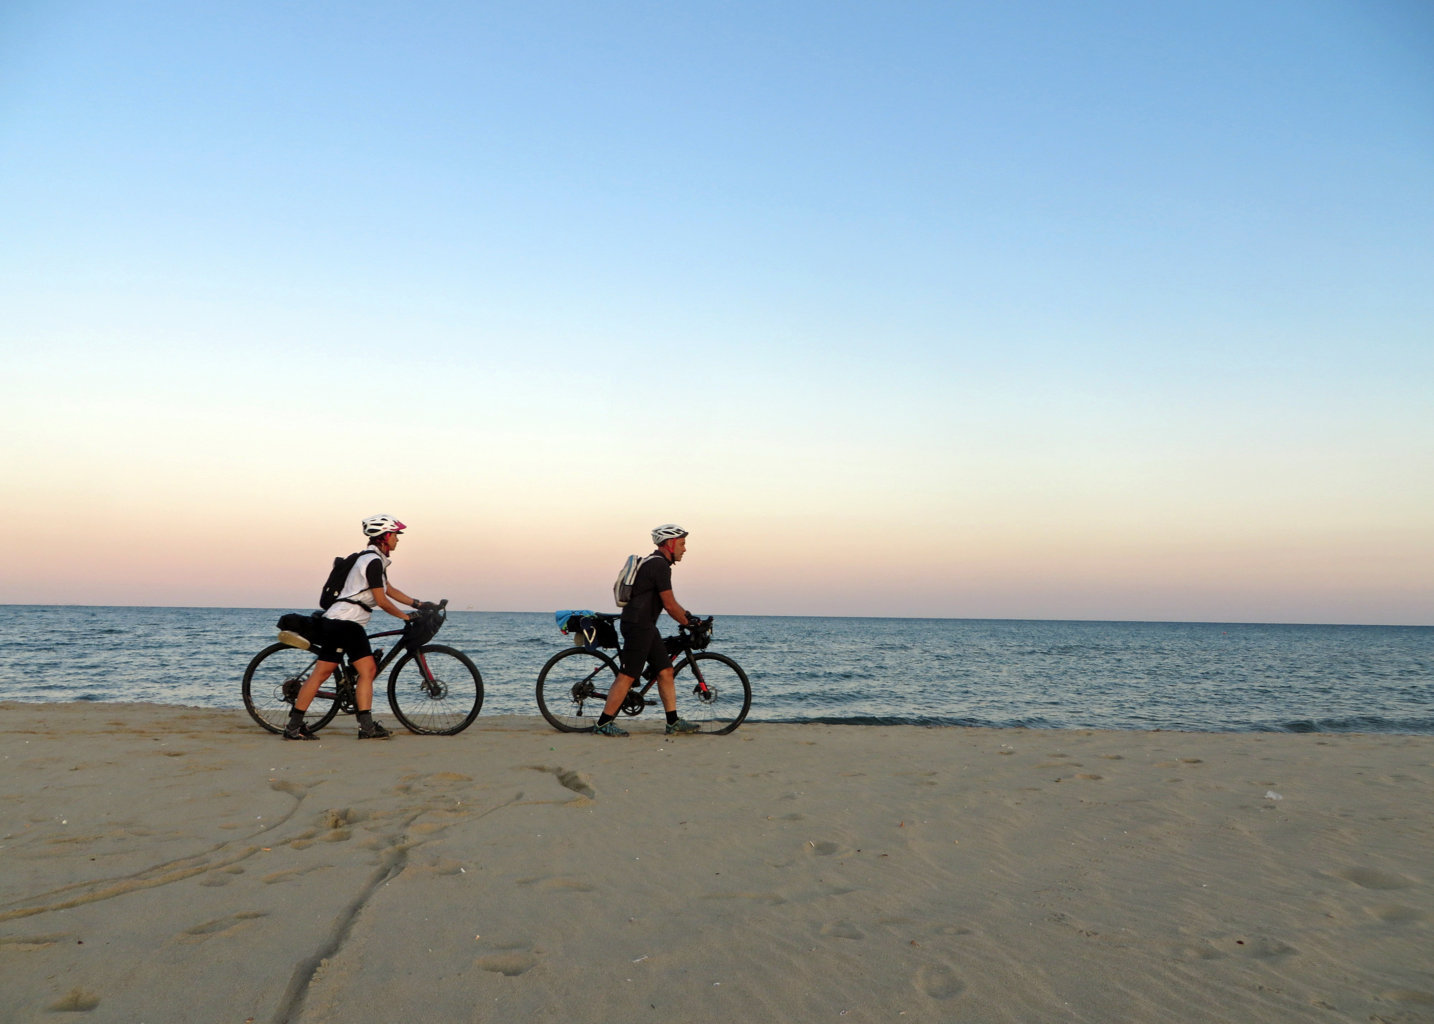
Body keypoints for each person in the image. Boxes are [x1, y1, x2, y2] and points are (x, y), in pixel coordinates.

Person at [284, 515, 427, 740]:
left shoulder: (373, 560)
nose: (398, 540)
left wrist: (418, 604)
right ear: (385, 536)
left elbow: (389, 589)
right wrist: (405, 618)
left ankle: (299, 726)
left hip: (343, 623)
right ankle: (362, 727)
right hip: (345, 624)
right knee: (352, 672)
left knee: (345, 672)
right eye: (396, 535)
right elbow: (381, 600)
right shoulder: (372, 562)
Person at [593, 524, 702, 737]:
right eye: (682, 544)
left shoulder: (655, 563)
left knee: (665, 670)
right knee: (628, 675)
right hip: (638, 626)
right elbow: (669, 605)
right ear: (669, 544)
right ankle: (603, 723)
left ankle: (673, 722)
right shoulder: (659, 566)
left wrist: (687, 617)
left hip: (645, 626)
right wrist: (689, 622)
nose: (684, 549)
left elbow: (669, 605)